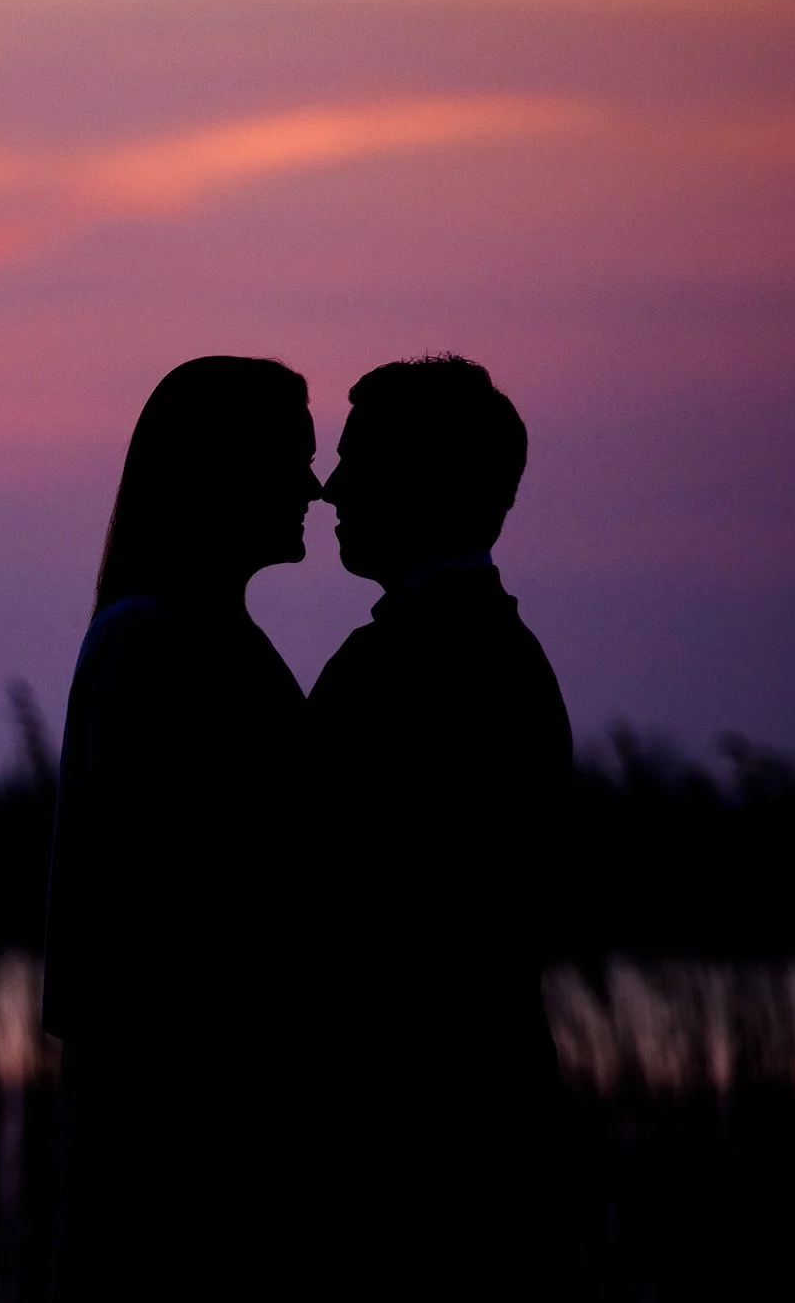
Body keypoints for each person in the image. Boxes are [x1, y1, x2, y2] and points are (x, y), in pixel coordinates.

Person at [41, 355, 323, 1300]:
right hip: (175, 1144)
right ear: (225, 472)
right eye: (294, 459)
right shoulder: (152, 645)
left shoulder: (213, 644)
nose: (314, 486)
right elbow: (152, 917)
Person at [307, 354, 572, 1299]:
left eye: (357, 463)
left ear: (421, 483)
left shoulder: (398, 670)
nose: (329, 489)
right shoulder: (507, 658)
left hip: (415, 1146)